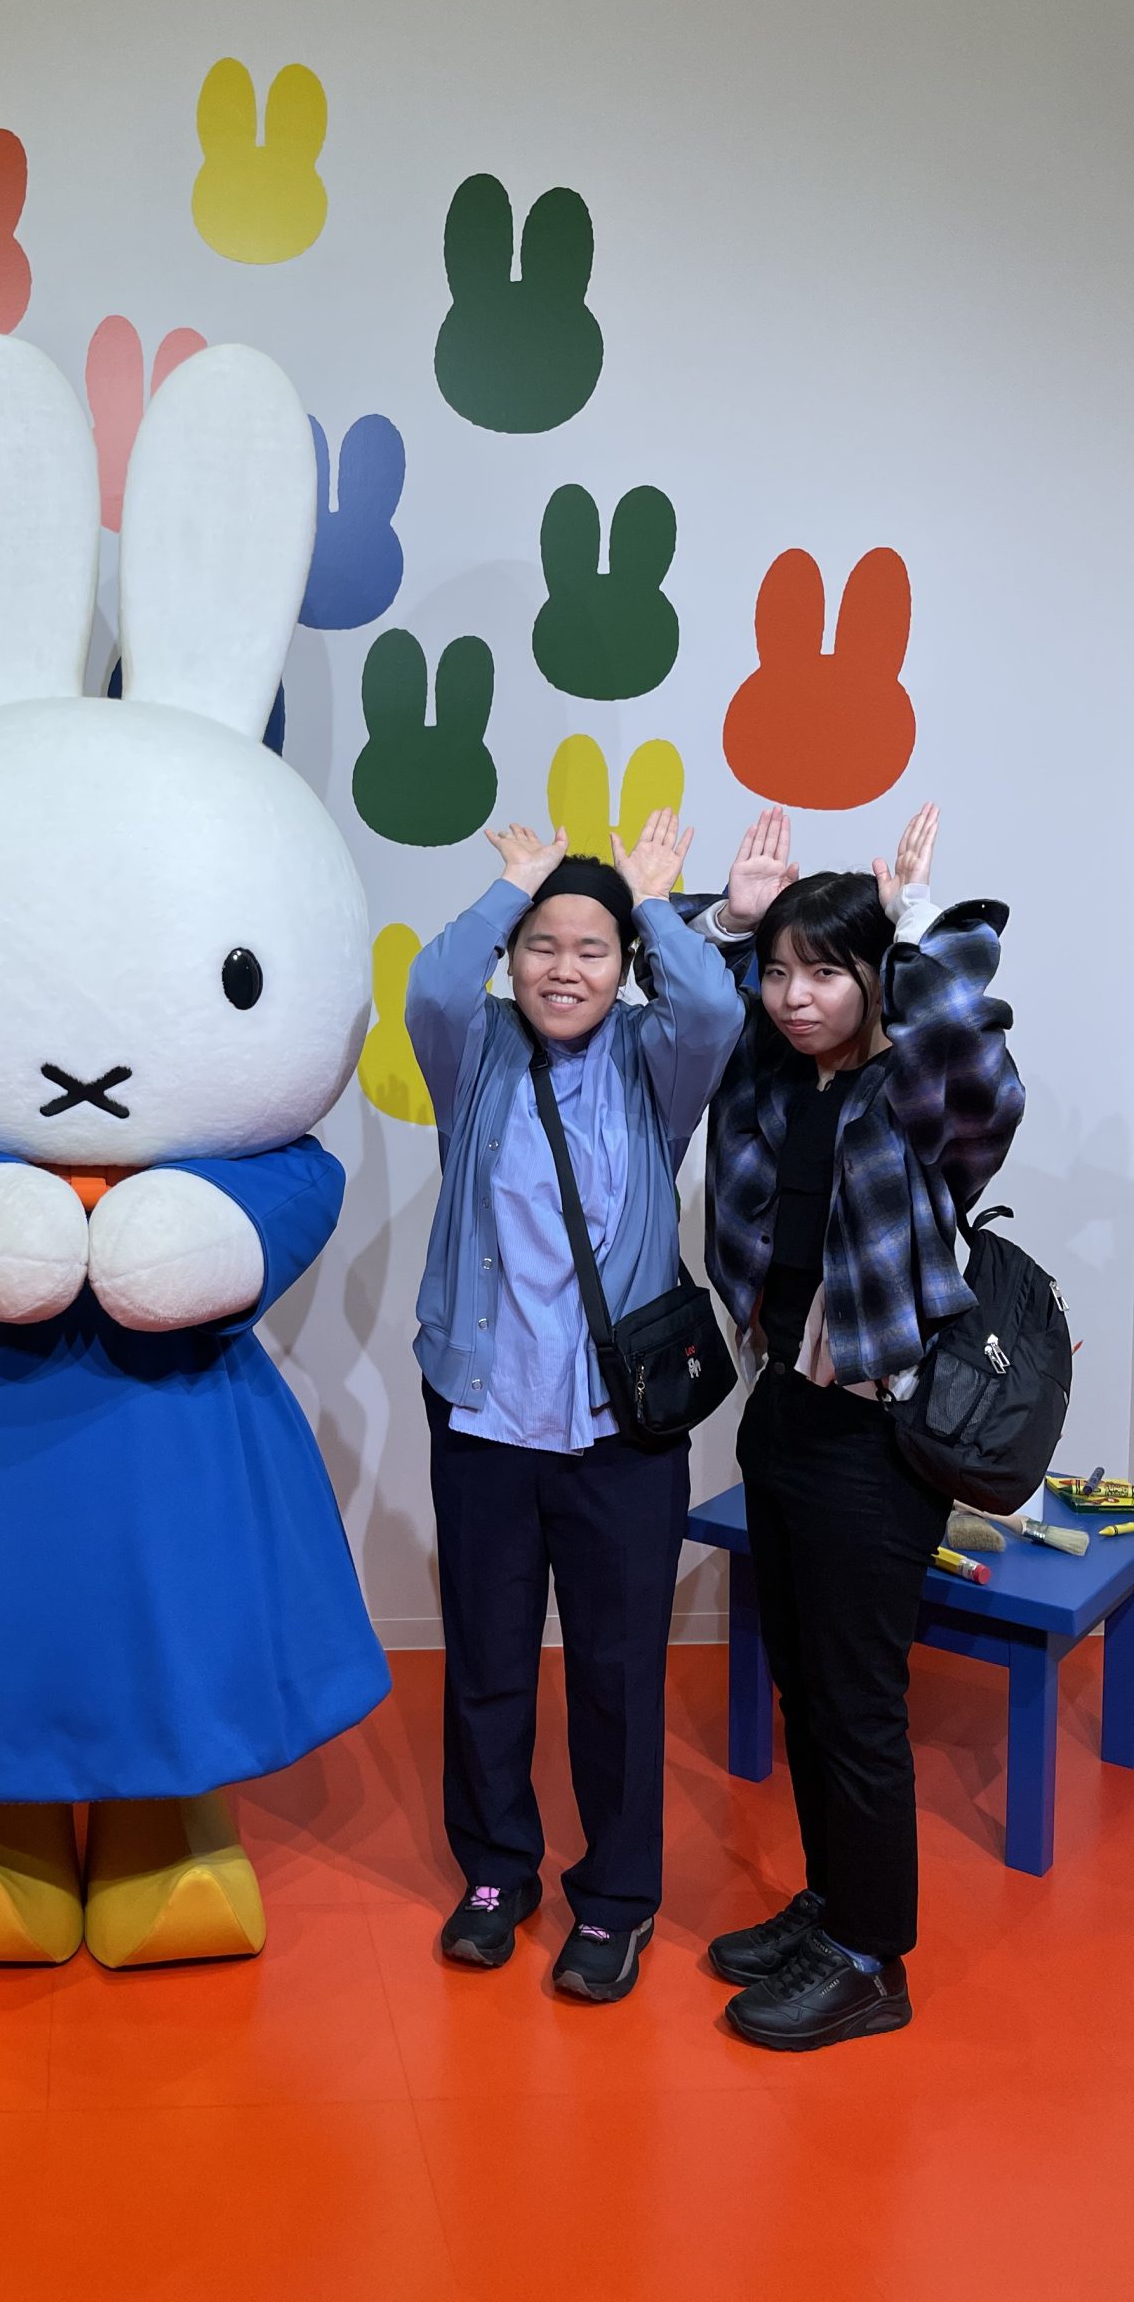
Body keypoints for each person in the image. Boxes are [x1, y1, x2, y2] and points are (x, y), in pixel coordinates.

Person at [696, 804, 1023, 2050]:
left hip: (875, 1437)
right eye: (780, 972)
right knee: (805, 1684)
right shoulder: (774, 1077)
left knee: (858, 1700)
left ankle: (872, 1960)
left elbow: (984, 1076)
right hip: (783, 1405)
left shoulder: (918, 1092)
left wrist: (919, 924)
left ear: (877, 977)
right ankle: (833, 1906)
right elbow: (690, 1009)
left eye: (825, 971)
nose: (794, 996)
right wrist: (733, 922)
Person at [406, 809, 744, 2001]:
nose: (564, 969)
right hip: (486, 1415)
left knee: (616, 1669)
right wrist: (514, 886)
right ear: (514, 957)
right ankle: (497, 1873)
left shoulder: (657, 1063)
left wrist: (648, 900)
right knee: (489, 1661)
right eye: (542, 945)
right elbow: (430, 987)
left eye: (591, 949)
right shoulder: (477, 1053)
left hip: (620, 1427)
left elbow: (716, 1012)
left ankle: (615, 1898)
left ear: (624, 964)